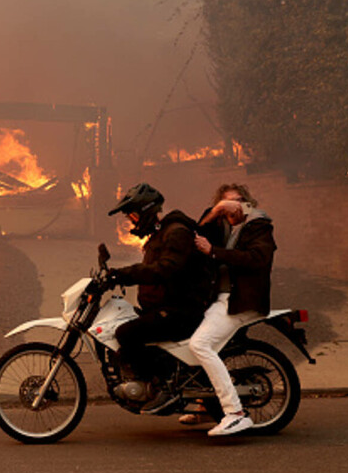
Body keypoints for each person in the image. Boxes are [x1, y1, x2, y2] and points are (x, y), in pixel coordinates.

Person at [108, 183, 211, 414]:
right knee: (126, 330)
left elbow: (164, 269)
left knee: (126, 333)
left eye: (134, 215)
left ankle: (166, 387)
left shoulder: (176, 232)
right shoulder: (161, 234)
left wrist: (124, 274)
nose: (133, 221)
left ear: (146, 210)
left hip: (182, 310)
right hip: (167, 307)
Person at [189, 183, 276, 436]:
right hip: (222, 298)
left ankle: (235, 414)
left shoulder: (259, 226)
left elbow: (257, 259)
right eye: (226, 204)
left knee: (200, 345)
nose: (232, 207)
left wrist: (214, 252)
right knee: (188, 340)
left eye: (237, 201)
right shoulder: (223, 225)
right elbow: (196, 235)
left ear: (247, 203)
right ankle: (208, 405)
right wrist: (214, 213)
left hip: (241, 300)